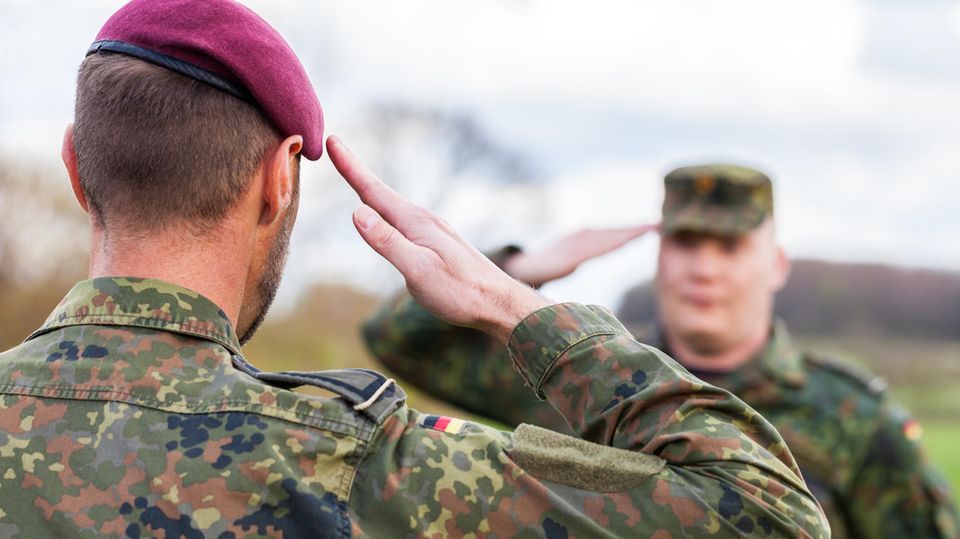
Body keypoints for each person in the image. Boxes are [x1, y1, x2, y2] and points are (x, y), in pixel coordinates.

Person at [0, 1, 828, 537]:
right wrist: (517, 306)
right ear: (279, 177)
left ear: (77, 168)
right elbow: (771, 514)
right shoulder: (350, 464)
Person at [365, 164, 960, 539]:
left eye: (728, 247)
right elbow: (400, 337)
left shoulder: (851, 417)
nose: (703, 267)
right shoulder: (594, 376)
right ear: (658, 258)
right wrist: (518, 271)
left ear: (776, 265)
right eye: (685, 243)